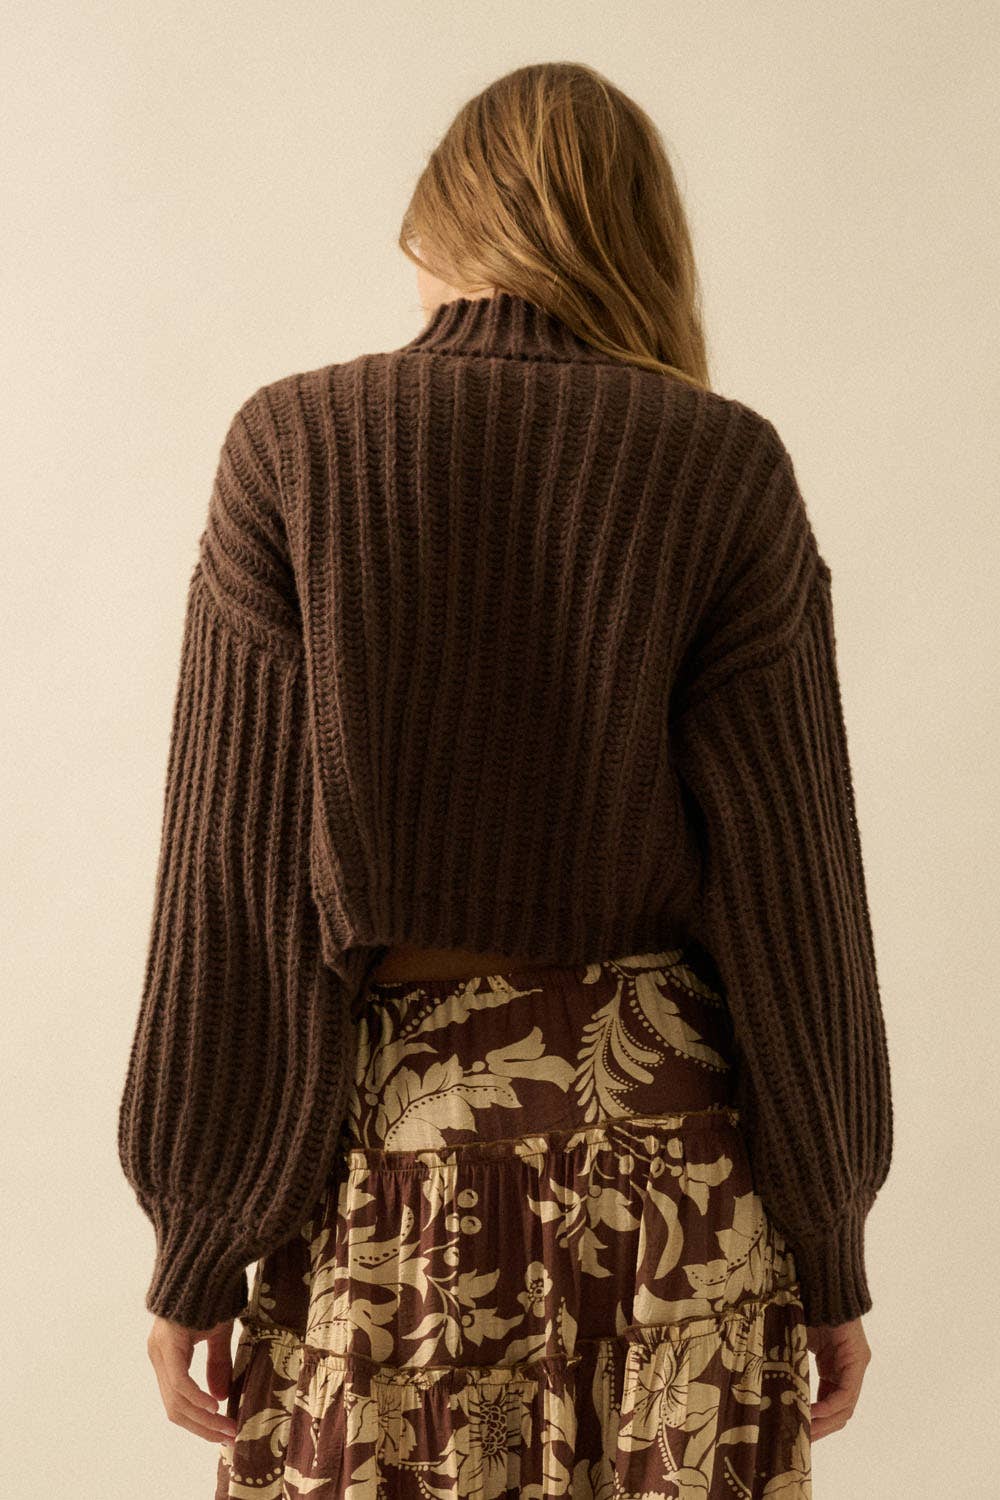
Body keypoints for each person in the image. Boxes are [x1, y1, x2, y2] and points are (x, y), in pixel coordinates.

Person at [120, 60, 893, 1497]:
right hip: (675, 1186)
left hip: (395, 1187)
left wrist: (199, 1238)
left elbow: (238, 889)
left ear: (442, 228)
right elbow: (796, 902)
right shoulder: (724, 466)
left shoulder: (292, 449)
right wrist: (829, 1241)